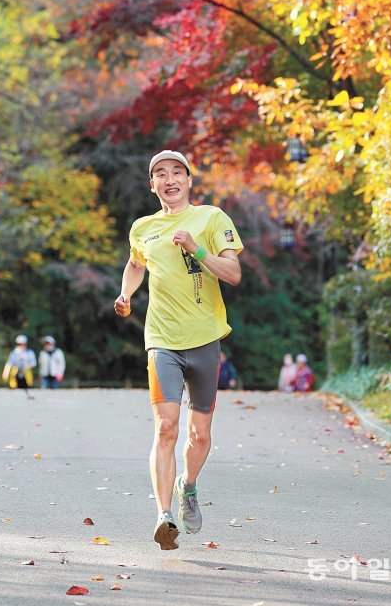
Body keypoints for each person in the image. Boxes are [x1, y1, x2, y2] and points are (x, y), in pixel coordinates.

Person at [114, 149, 243, 551]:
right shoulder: (143, 228)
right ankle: (163, 515)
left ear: (189, 180)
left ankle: (188, 487)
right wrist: (125, 293)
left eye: (176, 173)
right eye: (160, 174)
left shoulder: (212, 218)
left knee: (198, 433)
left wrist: (197, 250)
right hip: (162, 340)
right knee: (166, 427)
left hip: (205, 340)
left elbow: (234, 274)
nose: (169, 180)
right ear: (152, 185)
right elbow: (137, 263)